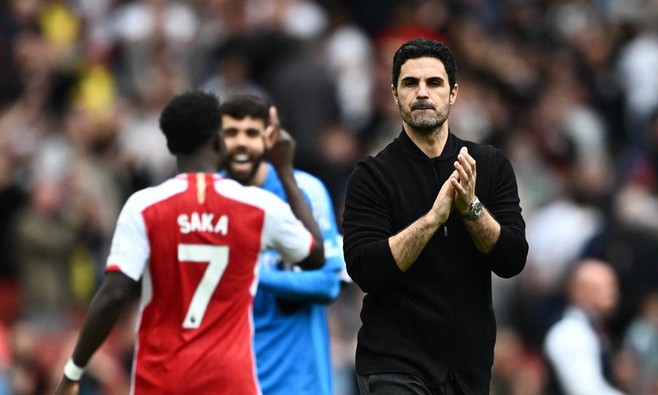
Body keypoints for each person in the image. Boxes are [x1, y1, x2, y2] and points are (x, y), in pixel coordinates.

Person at [53, 90, 325, 395]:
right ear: (218, 141)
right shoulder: (256, 206)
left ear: (171, 145)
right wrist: (285, 171)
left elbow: (114, 293)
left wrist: (73, 371)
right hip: (230, 380)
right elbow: (315, 256)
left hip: (161, 379)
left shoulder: (144, 206)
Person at [342, 37, 529, 395]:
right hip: (393, 364)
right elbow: (364, 268)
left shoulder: (488, 165)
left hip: (468, 370)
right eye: (410, 83)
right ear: (394, 94)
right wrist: (432, 220)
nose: (422, 93)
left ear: (453, 93)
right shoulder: (372, 175)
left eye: (434, 83)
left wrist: (471, 209)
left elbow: (512, 259)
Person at [219, 93, 347, 395]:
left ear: (269, 138)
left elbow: (327, 283)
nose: (241, 143)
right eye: (231, 133)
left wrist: (250, 274)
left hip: (297, 382)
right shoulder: (210, 200)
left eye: (251, 133)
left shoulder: (305, 191)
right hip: (230, 379)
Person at [543, 259, 625, 395]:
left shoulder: (591, 329)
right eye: (607, 286)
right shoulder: (569, 334)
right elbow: (586, 391)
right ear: (581, 292)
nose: (614, 293)